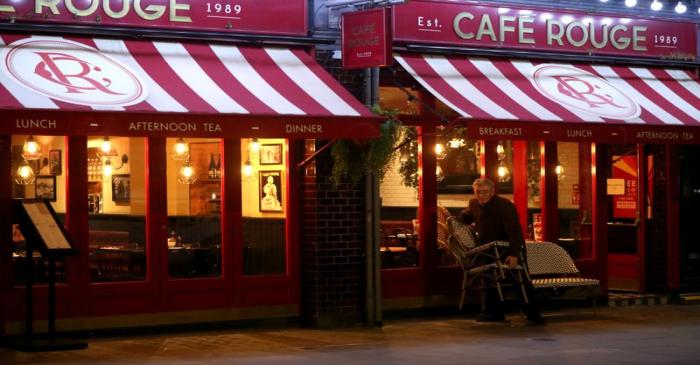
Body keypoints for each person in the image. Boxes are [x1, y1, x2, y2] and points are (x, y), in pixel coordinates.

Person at [458, 178, 545, 325]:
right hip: (490, 249)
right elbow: (468, 215)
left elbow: (514, 231)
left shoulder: (505, 206)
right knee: (491, 281)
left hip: (509, 248)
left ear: (492, 192)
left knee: (521, 282)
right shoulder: (474, 203)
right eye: (478, 192)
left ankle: (533, 315)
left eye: (485, 192)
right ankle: (495, 314)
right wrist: (456, 220)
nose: (481, 195)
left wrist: (514, 254)